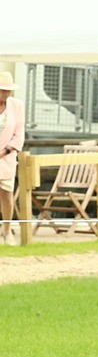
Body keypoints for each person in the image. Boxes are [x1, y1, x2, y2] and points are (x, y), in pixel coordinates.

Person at [0, 71, 26, 247]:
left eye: (8, 90)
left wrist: (3, 152)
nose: (5, 93)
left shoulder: (16, 105)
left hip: (6, 158)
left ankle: (7, 230)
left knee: (6, 195)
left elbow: (19, 135)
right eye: (2, 90)